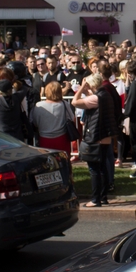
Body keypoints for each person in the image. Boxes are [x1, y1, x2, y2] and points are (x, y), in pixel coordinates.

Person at [73, 73, 116, 207]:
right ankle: (103, 197)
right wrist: (88, 90)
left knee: (94, 170)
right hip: (105, 137)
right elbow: (93, 98)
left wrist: (80, 89)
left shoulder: (96, 98)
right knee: (102, 168)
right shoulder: (105, 95)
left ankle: (95, 199)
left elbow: (75, 102)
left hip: (96, 136)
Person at [31, 80, 73, 154]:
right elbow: (72, 118)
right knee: (63, 161)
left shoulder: (39, 105)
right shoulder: (64, 104)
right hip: (62, 138)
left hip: (44, 139)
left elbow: (34, 122)